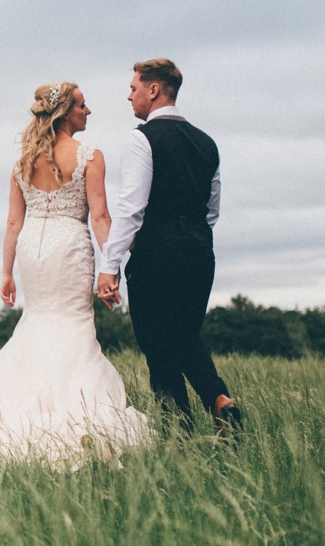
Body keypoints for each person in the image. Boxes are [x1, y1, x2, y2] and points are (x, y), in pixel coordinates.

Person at [0, 81, 150, 466]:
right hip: (69, 246)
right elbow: (99, 216)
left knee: (38, 320)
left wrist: (6, 273)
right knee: (73, 322)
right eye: (82, 104)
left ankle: (22, 401)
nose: (88, 111)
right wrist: (113, 265)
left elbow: (14, 222)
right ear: (64, 113)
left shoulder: (22, 161)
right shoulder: (90, 156)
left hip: (32, 249)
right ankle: (69, 406)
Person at [95, 58, 243, 436]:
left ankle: (181, 436)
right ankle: (220, 401)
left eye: (133, 88)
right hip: (199, 252)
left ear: (154, 90)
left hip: (157, 253)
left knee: (158, 347)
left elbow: (131, 208)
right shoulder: (207, 143)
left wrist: (109, 264)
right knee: (185, 336)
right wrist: (191, 237)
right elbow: (212, 210)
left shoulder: (141, 138)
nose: (129, 96)